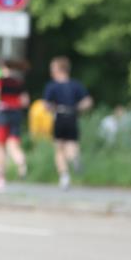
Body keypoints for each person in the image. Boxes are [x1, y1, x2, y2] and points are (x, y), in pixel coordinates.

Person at [43, 56, 92, 190]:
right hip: (72, 116)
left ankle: (64, 176)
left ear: (59, 69)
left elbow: (46, 105)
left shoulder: (52, 86)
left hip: (59, 116)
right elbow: (88, 101)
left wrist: (52, 108)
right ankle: (74, 159)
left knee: (59, 148)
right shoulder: (76, 85)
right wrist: (77, 108)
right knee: (72, 144)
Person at [0, 59, 30, 191]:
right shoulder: (19, 82)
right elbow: (25, 101)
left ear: (3, 69)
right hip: (16, 114)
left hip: (2, 114)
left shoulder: (0, 81)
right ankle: (21, 163)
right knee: (13, 144)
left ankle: (0, 177)